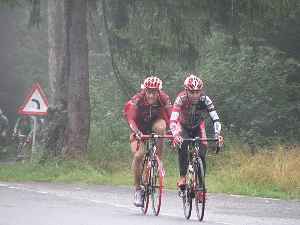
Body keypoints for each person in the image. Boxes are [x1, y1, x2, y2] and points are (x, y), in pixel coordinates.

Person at [170, 75, 224, 203]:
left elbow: (215, 118)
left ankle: (201, 189)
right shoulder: (181, 99)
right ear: (186, 91)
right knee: (183, 145)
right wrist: (175, 135)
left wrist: (217, 134)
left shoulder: (205, 99)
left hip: (198, 126)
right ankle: (182, 177)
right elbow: (172, 120)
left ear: (201, 91)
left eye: (197, 92)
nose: (195, 95)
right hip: (182, 125)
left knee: (202, 155)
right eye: (191, 92)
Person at [124, 76, 172, 207]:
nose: (151, 96)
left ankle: (159, 161)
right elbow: (131, 119)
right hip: (138, 128)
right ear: (144, 91)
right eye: (149, 93)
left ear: (159, 92)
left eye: (154, 93)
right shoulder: (137, 99)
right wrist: (135, 131)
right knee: (138, 156)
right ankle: (138, 191)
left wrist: (177, 132)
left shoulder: (164, 98)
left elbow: (173, 117)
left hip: (154, 124)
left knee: (162, 128)